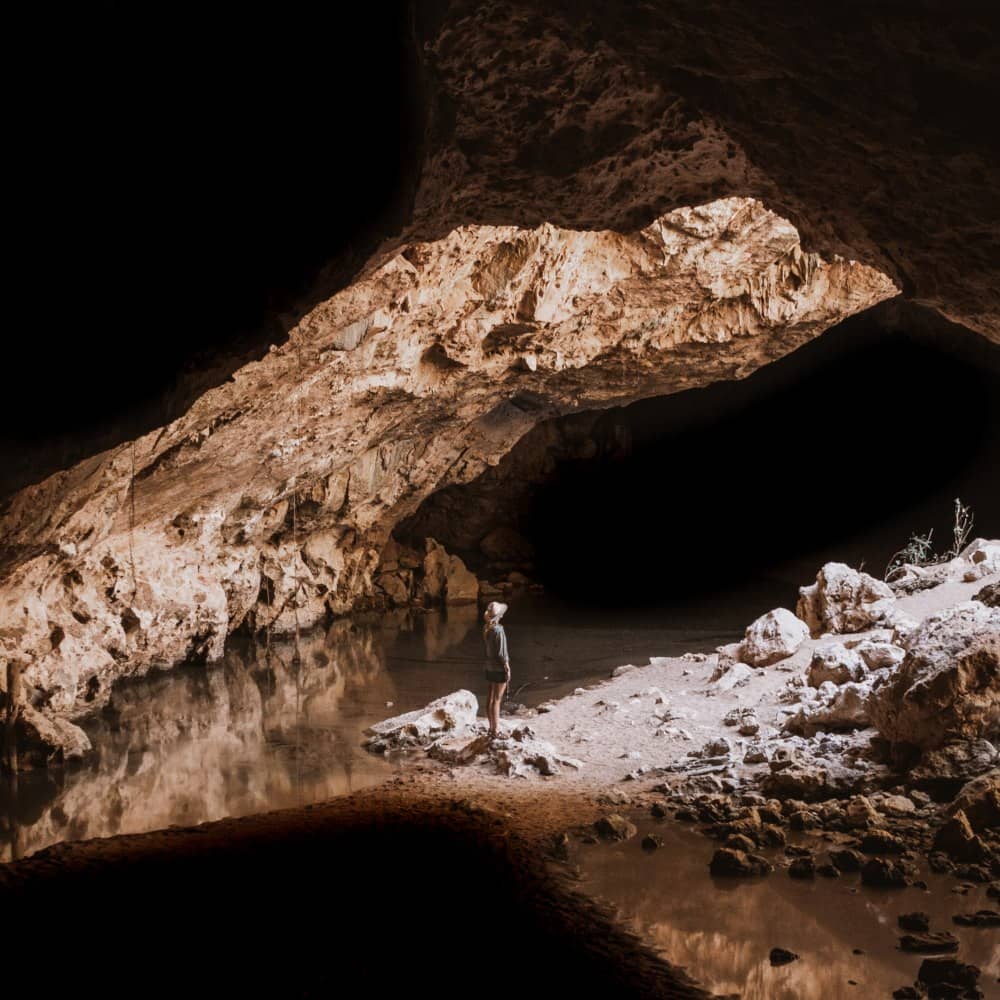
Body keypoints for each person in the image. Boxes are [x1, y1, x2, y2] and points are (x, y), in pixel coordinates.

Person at [482, 601, 510, 740]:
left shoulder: (487, 628)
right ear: (499, 616)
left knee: (490, 698)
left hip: (488, 667)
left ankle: (490, 728)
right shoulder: (499, 630)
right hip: (498, 668)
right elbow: (501, 653)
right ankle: (495, 731)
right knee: (497, 700)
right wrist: (507, 667)